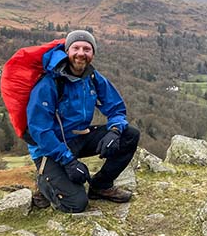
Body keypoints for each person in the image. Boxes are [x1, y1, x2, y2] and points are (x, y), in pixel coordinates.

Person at [27, 30, 140, 213]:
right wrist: (69, 161)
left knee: (130, 135)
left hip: (79, 137)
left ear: (92, 54)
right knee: (76, 204)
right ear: (67, 51)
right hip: (50, 148)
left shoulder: (93, 78)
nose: (81, 53)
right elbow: (40, 130)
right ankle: (44, 184)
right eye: (76, 48)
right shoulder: (50, 84)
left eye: (87, 49)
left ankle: (100, 186)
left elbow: (115, 107)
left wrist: (115, 131)